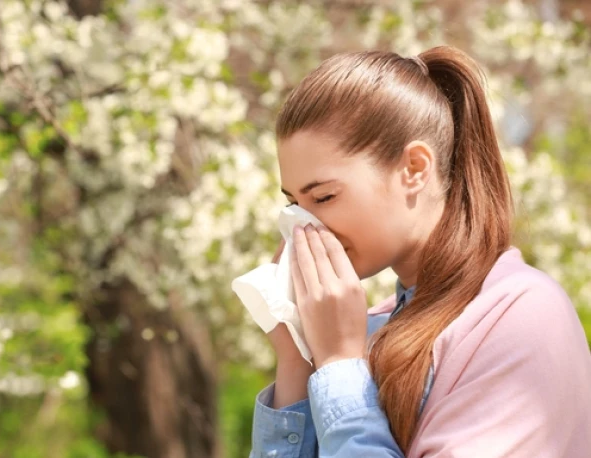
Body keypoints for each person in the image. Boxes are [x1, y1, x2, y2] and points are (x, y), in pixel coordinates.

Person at [249, 45, 591, 457]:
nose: (305, 227)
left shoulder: (519, 316)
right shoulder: (369, 330)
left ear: (414, 168)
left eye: (323, 197)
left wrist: (340, 365)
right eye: (293, 205)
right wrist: (297, 360)